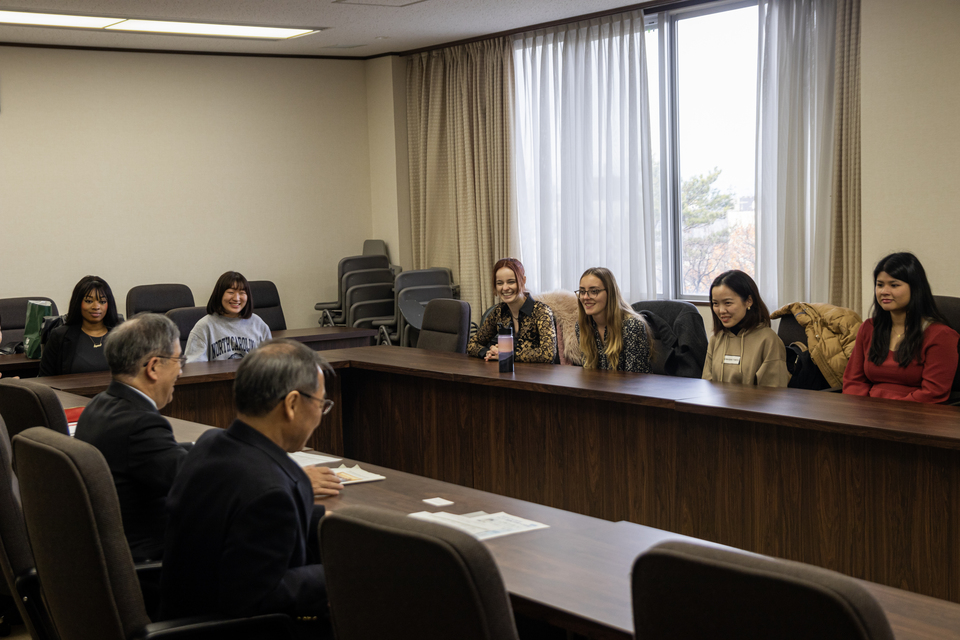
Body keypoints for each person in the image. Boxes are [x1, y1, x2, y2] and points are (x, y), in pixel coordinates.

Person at [160, 339, 343, 634]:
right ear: (292, 404)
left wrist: (331, 523)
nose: (320, 415)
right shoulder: (269, 491)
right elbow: (259, 597)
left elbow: (238, 520)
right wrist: (340, 570)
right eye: (321, 403)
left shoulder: (211, 444)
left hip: (184, 608)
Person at [74, 313, 187, 562]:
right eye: (178, 360)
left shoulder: (98, 405)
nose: (180, 370)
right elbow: (196, 483)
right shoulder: (140, 425)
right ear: (153, 367)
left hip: (109, 553)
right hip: (152, 562)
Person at [843, 252, 959, 403]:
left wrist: (889, 412)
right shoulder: (869, 327)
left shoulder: (941, 335)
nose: (884, 291)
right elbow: (853, 381)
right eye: (880, 285)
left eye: (894, 285)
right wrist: (864, 410)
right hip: (867, 411)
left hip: (914, 413)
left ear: (916, 288)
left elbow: (932, 393)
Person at [702, 270, 788, 387]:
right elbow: (706, 385)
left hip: (755, 400)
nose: (721, 310)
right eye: (715, 303)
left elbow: (774, 392)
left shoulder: (769, 340)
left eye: (728, 303)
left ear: (748, 301)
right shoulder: (716, 339)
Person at [467, 258, 558, 364]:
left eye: (511, 282)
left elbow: (548, 354)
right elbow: (472, 344)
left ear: (523, 281)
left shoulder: (542, 311)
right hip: (506, 371)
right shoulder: (498, 312)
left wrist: (506, 355)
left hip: (537, 373)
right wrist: (489, 353)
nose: (505, 288)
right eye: (500, 283)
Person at [38, 275, 120, 376]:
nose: (96, 307)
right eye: (89, 301)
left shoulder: (122, 337)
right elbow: (44, 379)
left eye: (102, 302)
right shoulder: (60, 337)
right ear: (78, 303)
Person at [574, 267, 651, 373]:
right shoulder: (582, 325)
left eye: (594, 291)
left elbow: (634, 378)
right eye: (582, 292)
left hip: (628, 384)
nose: (585, 297)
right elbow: (588, 372)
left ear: (610, 293)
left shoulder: (632, 326)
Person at [185, 271, 272, 363]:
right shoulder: (204, 326)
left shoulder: (258, 323)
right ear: (219, 295)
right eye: (231, 292)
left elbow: (271, 362)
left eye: (242, 292)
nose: (236, 298)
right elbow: (194, 366)